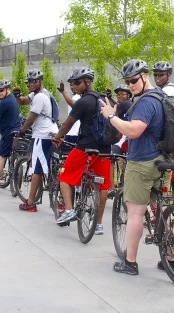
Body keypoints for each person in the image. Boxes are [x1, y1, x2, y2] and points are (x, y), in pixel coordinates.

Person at [98, 59, 167, 276]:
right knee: (163, 210)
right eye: (128, 82)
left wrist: (111, 116)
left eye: (134, 80)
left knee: (136, 212)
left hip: (142, 162)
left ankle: (130, 262)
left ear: (145, 76)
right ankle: (172, 258)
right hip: (163, 160)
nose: (131, 85)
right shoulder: (164, 97)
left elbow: (134, 131)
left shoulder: (147, 102)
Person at [52, 68, 112, 236]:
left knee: (64, 176)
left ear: (87, 82)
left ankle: (69, 210)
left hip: (85, 147)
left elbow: (67, 124)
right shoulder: (105, 99)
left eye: (77, 83)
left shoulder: (84, 101)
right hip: (105, 150)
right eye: (72, 83)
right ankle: (98, 224)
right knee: (102, 187)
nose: (74, 86)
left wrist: (57, 137)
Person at [14, 69, 59, 212]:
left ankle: (31, 202)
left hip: (42, 135)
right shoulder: (40, 94)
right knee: (47, 166)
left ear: (40, 81)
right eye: (29, 82)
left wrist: (21, 131)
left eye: (34, 81)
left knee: (37, 169)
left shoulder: (40, 97)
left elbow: (31, 118)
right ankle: (58, 197)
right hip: (50, 133)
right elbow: (22, 102)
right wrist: (17, 96)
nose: (30, 84)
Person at [0, 79, 22, 183]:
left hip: (7, 132)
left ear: (7, 90)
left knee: (2, 155)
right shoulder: (13, 99)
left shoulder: (4, 103)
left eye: (1, 90)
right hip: (17, 130)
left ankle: (0, 176)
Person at [57, 79, 81, 145]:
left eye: (74, 85)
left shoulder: (77, 97)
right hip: (71, 132)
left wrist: (63, 92)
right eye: (71, 85)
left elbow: (73, 104)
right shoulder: (76, 97)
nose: (72, 87)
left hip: (74, 133)